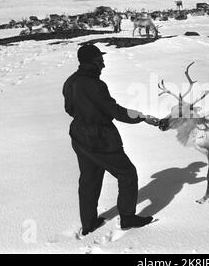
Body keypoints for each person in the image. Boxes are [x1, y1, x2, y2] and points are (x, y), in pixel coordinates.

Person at [63, 44, 160, 236]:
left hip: (79, 136)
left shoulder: (70, 82)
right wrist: (141, 117)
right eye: (101, 59)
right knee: (128, 174)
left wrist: (85, 116)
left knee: (89, 179)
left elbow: (69, 109)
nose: (104, 64)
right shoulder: (95, 85)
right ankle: (127, 218)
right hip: (100, 139)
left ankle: (88, 223)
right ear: (93, 61)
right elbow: (115, 111)